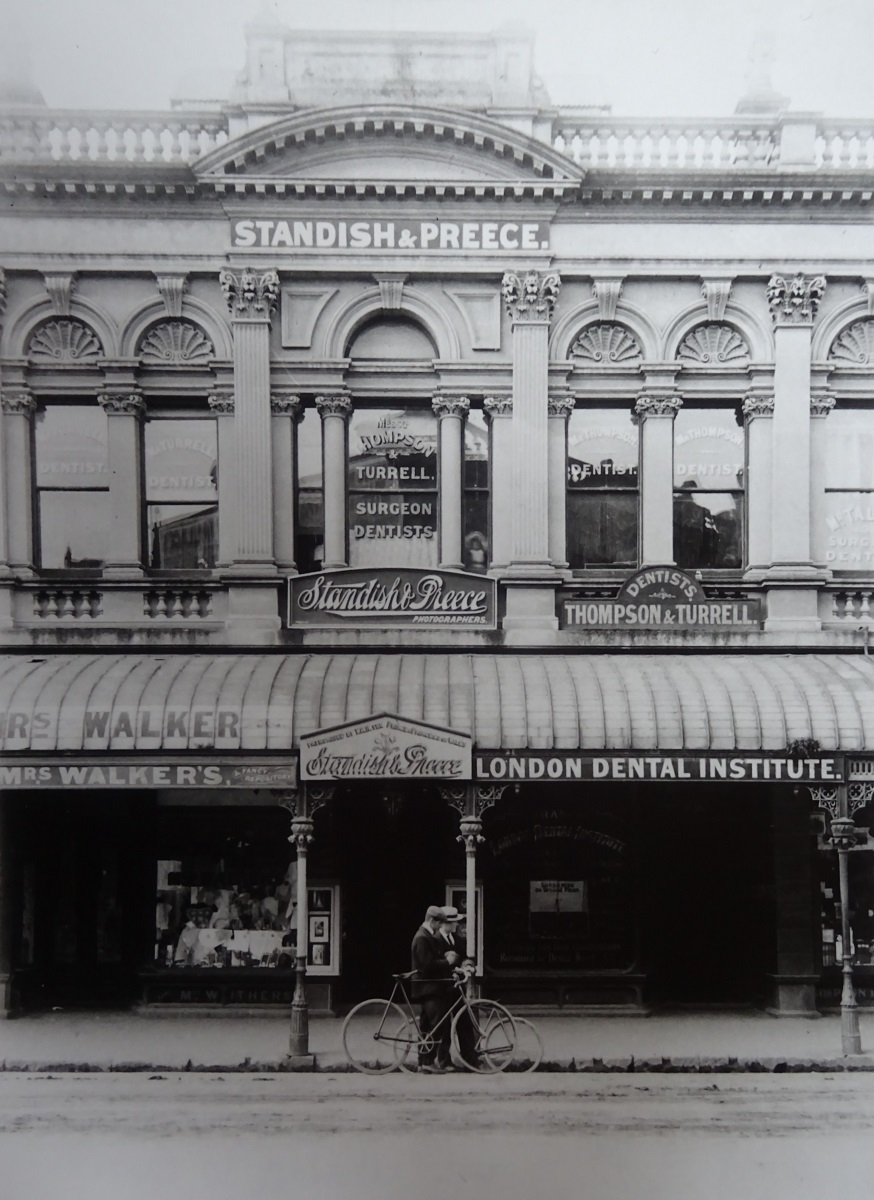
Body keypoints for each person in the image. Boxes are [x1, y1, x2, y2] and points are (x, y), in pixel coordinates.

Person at [410, 904, 459, 1073]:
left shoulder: (426, 936)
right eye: (439, 923)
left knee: (425, 1025)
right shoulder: (422, 938)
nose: (440, 927)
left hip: (429, 986)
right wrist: (448, 962)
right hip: (428, 987)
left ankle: (422, 1061)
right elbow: (427, 965)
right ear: (432, 921)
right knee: (438, 1023)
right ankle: (427, 1061)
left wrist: (445, 963)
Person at [437, 907, 479, 1069]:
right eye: (454, 921)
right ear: (446, 923)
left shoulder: (456, 938)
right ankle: (444, 1061)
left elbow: (465, 957)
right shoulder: (435, 940)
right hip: (441, 989)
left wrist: (468, 966)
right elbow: (433, 964)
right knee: (444, 1026)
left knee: (464, 1022)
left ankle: (470, 1060)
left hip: (455, 988)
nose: (457, 924)